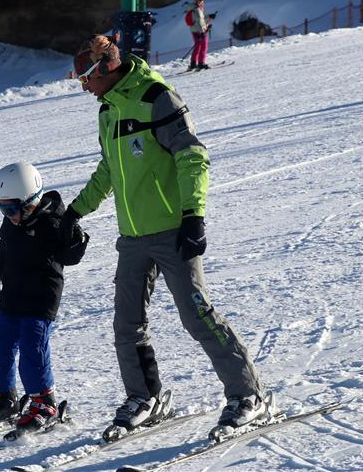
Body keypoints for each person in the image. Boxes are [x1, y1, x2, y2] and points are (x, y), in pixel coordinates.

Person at [65, 35, 267, 436]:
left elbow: (193, 156)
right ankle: (145, 397)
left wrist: (194, 216)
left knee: (197, 316)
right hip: (133, 237)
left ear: (105, 68)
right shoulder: (108, 110)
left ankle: (249, 396)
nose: (82, 86)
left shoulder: (157, 97)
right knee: (127, 324)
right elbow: (108, 171)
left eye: (84, 76)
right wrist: (74, 212)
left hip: (173, 230)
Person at [0, 162, 89, 436]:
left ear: (30, 202)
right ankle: (5, 400)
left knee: (33, 349)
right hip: (12, 294)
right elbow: (4, 250)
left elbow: (70, 257)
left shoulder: (53, 222)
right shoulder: (13, 222)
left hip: (41, 297)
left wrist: (77, 239)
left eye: (10, 209)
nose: (7, 215)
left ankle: (45, 403)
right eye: (2, 209)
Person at [184, 0, 212, 70]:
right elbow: (199, 22)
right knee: (203, 47)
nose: (202, 2)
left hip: (194, 31)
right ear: (198, 0)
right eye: (201, 1)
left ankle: (193, 64)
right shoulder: (197, 9)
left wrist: (209, 16)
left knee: (197, 47)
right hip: (200, 31)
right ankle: (201, 63)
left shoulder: (193, 8)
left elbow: (201, 19)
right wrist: (202, 32)